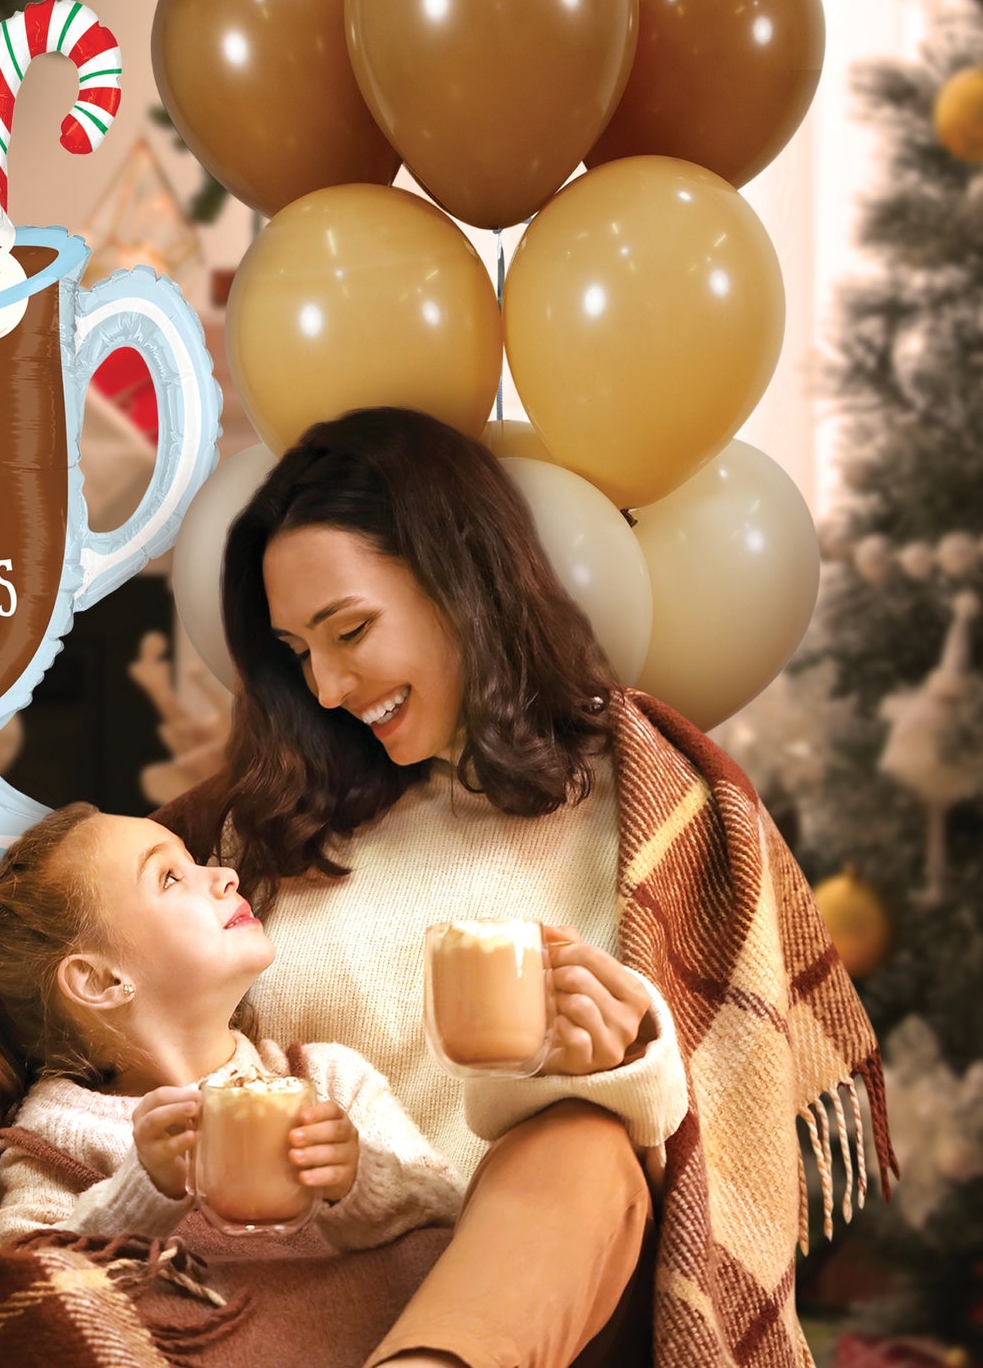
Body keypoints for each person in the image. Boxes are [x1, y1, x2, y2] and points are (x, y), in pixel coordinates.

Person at [149, 406, 894, 1368]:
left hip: (553, 1297)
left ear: (461, 580)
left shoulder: (647, 806)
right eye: (299, 654)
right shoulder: (249, 831)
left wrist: (626, 1058)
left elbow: (706, 1147)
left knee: (580, 1136)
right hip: (301, 1284)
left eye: (350, 629)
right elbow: (65, 992)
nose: (327, 687)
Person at [0, 800, 463, 1252]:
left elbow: (454, 1212)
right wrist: (142, 1192)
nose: (225, 876)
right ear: (100, 980)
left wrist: (359, 1182)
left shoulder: (331, 1083)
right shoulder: (55, 1136)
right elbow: (24, 1276)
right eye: (170, 877)